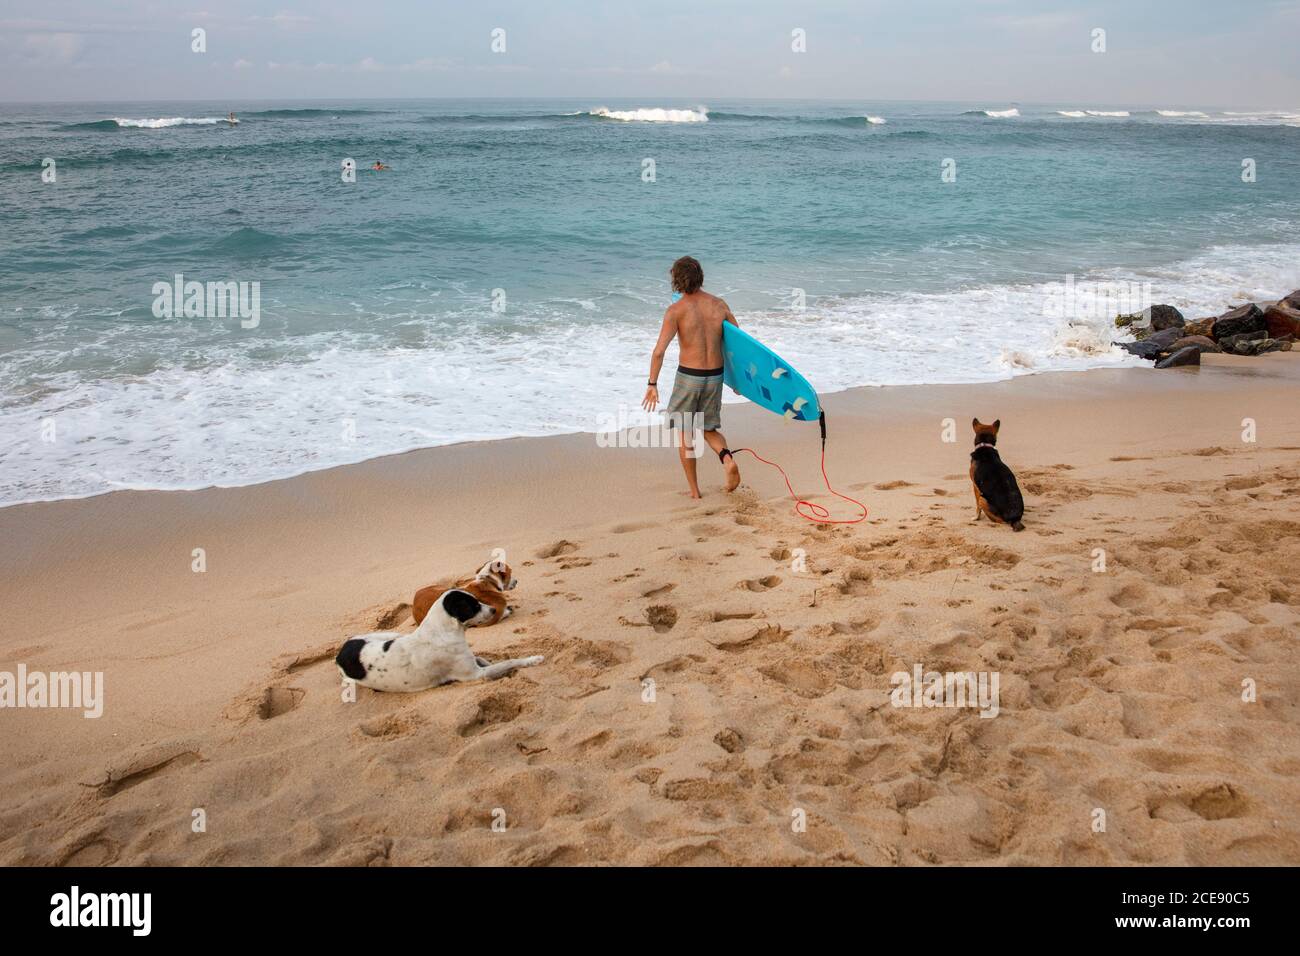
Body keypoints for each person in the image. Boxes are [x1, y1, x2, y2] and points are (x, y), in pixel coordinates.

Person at [642, 256, 742, 498]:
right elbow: (738, 345)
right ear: (701, 277)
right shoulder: (719, 305)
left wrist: (652, 383)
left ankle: (695, 492)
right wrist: (739, 382)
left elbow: (659, 351)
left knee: (686, 433)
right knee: (709, 429)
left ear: (676, 280)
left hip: (689, 377)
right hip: (715, 376)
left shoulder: (676, 311)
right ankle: (727, 459)